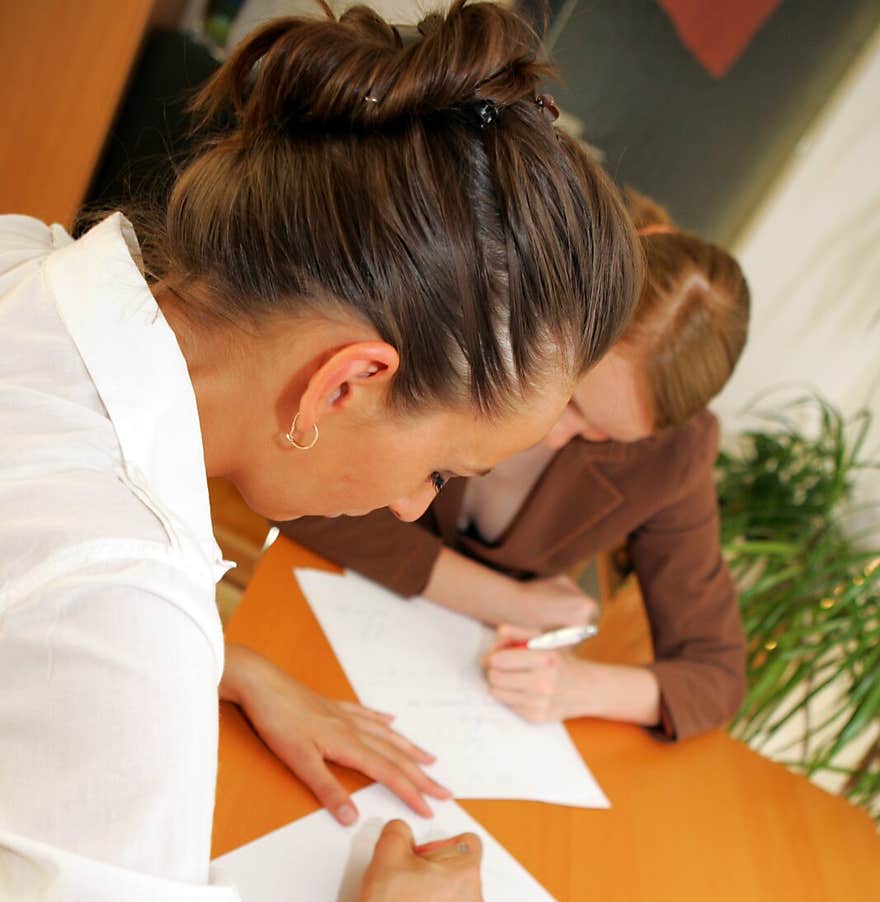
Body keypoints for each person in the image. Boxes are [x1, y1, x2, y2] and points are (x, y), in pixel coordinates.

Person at [0, 2, 642, 902]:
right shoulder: (115, 614)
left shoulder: (21, 262)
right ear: (345, 381)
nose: (416, 506)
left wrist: (230, 663)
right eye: (443, 465)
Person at [282, 189, 751, 741]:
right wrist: (510, 600)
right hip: (306, 604)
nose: (557, 436)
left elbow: (715, 673)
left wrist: (580, 688)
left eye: (604, 434)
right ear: (561, 324)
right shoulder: (471, 305)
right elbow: (299, 488)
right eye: (571, 398)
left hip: (449, 696)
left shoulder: (676, 454)